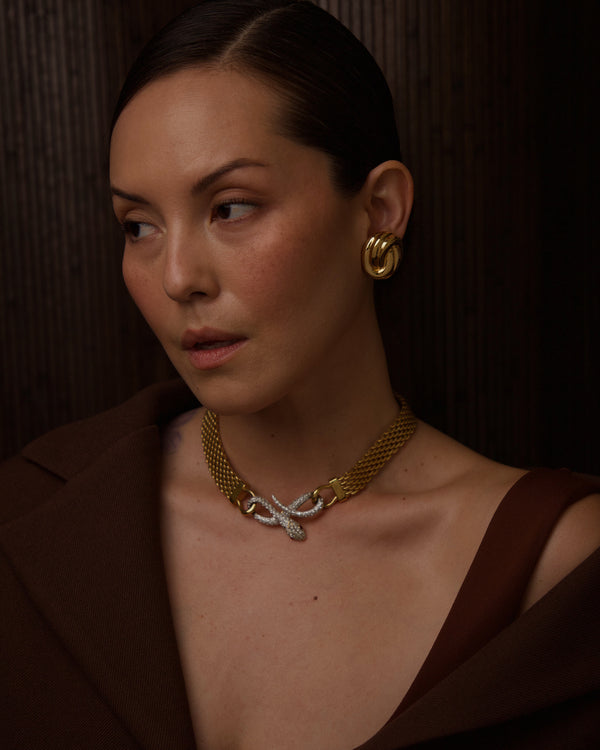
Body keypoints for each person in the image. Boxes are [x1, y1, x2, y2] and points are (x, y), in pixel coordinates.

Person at [2, 1, 599, 748]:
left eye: (231, 207)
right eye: (138, 226)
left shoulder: (559, 569)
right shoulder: (36, 510)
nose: (177, 277)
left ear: (379, 210)